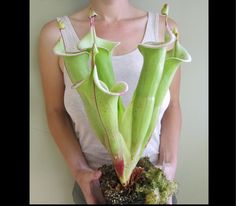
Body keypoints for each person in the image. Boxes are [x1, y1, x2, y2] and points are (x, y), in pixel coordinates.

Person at [38, 0, 181, 204]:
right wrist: (79, 171)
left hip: (153, 186)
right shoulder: (54, 34)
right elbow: (54, 111)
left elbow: (173, 106)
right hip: (94, 186)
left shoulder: (165, 28)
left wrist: (168, 167)